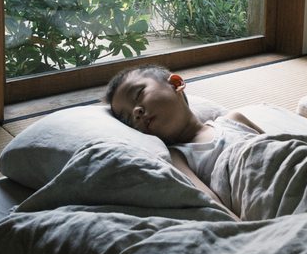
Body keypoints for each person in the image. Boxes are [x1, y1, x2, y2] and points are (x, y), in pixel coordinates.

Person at [105, 64, 259, 218]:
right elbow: (212, 204)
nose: (135, 112)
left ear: (175, 83)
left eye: (138, 94)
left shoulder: (234, 120)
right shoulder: (176, 157)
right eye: (128, 119)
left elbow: (271, 145)